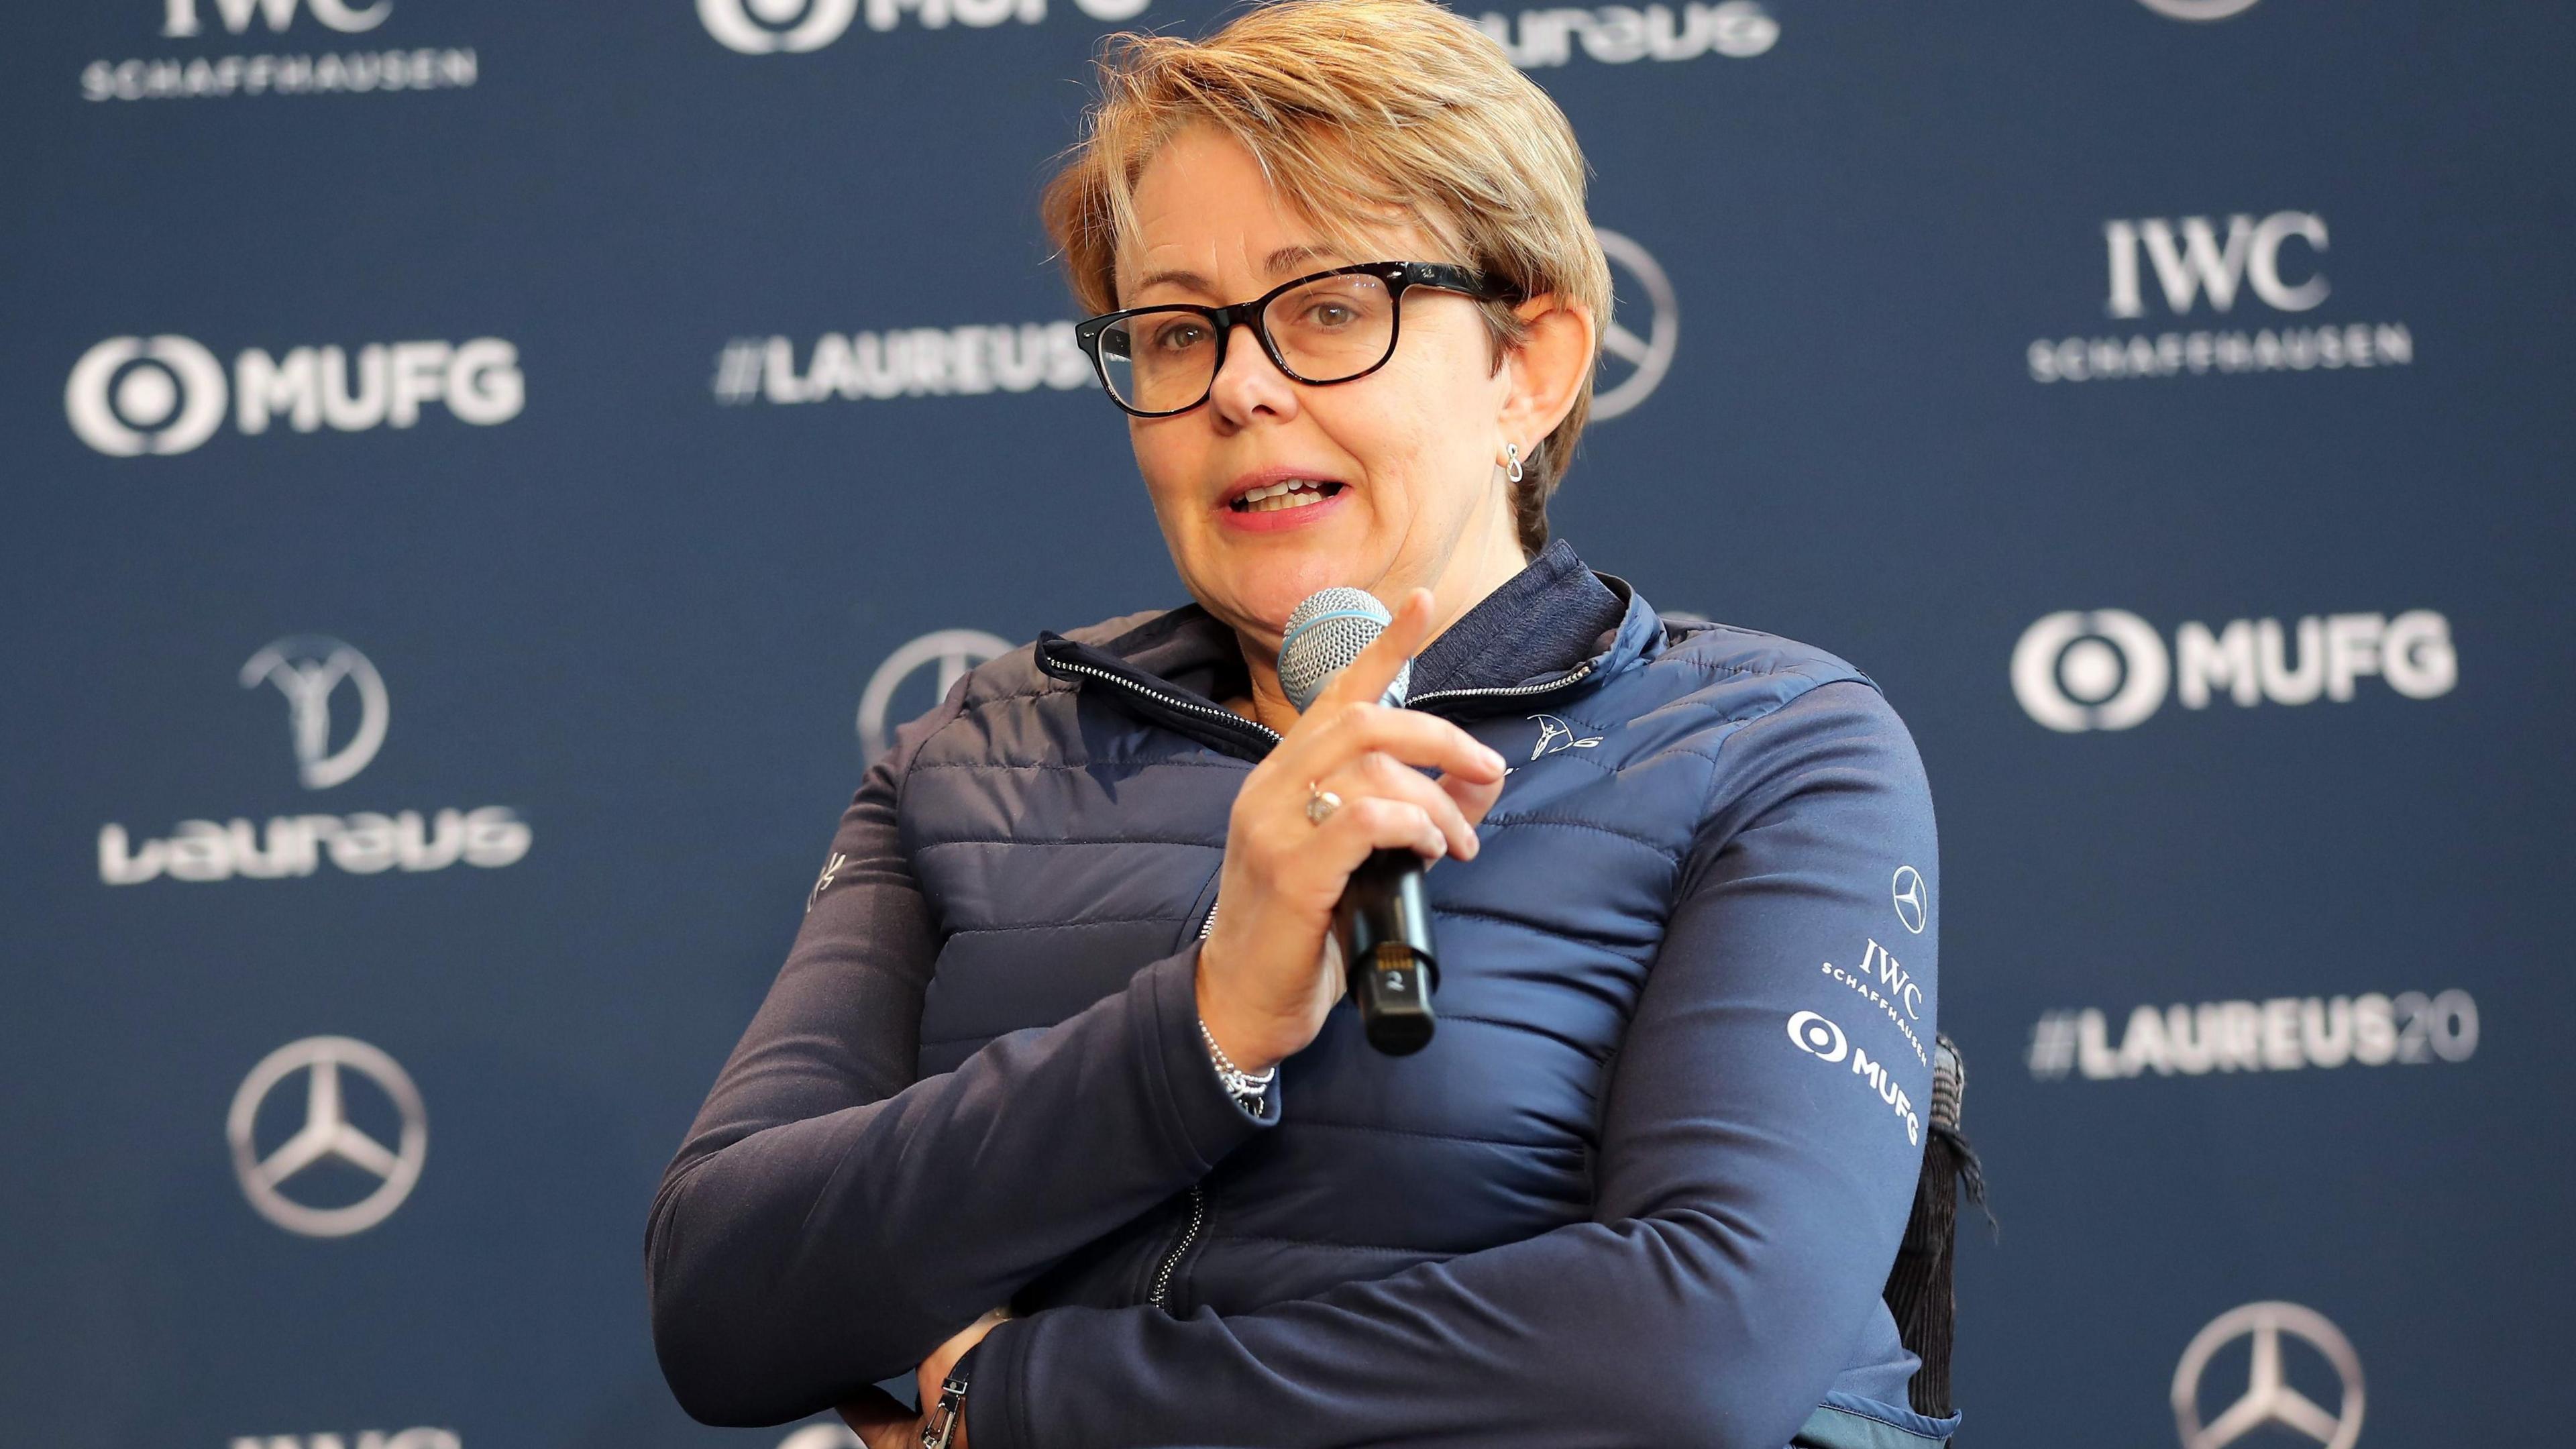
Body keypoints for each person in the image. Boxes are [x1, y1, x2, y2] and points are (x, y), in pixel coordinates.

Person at [645, 1, 1949, 1444]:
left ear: (1531, 364)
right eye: (1177, 329)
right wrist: (1208, 1026)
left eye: (1331, 305)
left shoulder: (1763, 745)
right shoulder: (985, 752)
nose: (1242, 385)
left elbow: (1707, 1350)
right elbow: (721, 1300)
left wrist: (1029, 1405)